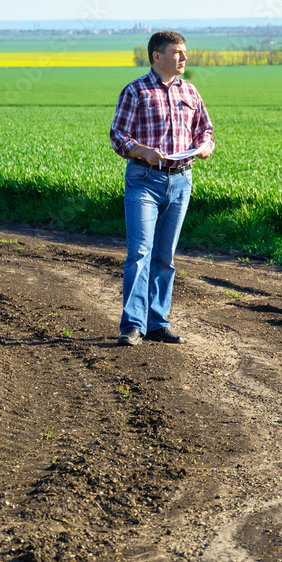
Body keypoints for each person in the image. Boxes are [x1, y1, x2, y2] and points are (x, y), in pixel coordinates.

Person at [110, 31, 215, 346]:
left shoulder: (191, 91)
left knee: (165, 256)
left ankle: (157, 323)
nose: (183, 58)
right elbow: (118, 136)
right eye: (177, 52)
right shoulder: (136, 91)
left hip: (181, 179)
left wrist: (206, 145)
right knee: (139, 253)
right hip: (144, 179)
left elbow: (205, 130)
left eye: (184, 52)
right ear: (157, 56)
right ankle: (132, 326)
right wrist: (143, 150)